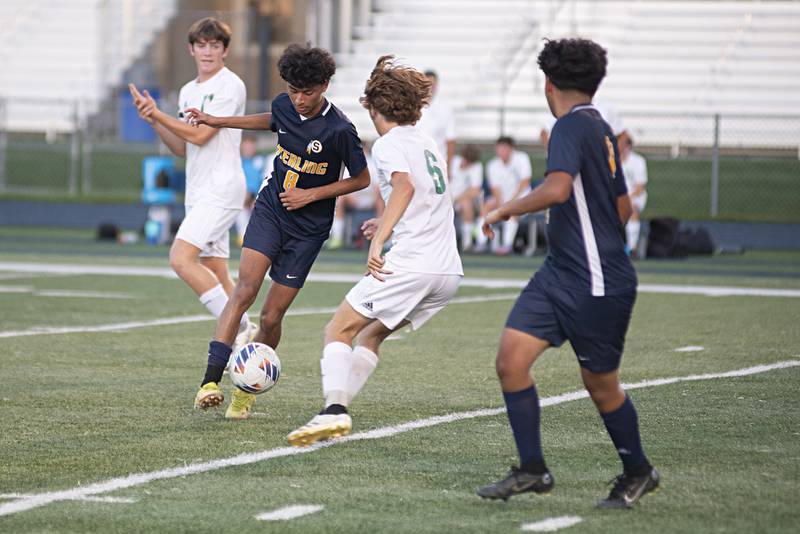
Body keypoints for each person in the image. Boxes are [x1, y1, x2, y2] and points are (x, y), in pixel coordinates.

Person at [477, 38, 659, 509]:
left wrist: (505, 211)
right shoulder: (600, 128)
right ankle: (533, 468)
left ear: (548, 83)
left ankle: (638, 470)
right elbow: (621, 205)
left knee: (601, 386)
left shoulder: (568, 127)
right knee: (511, 359)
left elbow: (557, 189)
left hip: (596, 279)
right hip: (562, 270)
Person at [184, 43, 371, 419]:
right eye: (293, 91)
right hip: (271, 210)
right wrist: (217, 121)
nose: (299, 100)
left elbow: (362, 178)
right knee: (244, 292)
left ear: (325, 86)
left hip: (309, 230)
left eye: (308, 92)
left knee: (271, 318)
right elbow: (271, 119)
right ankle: (208, 382)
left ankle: (245, 393)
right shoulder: (286, 105)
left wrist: (313, 194)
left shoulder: (340, 129)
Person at [286, 55, 463, 447]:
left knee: (338, 329)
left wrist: (380, 240)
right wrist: (387, 223)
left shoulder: (387, 145)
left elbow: (404, 187)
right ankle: (333, 412)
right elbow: (423, 194)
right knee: (368, 337)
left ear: (373, 105)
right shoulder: (427, 142)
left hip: (412, 264)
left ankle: (333, 411)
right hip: (446, 271)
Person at [128, 17, 254, 361]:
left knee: (180, 258)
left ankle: (237, 327)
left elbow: (202, 134)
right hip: (197, 192)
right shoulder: (187, 91)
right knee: (215, 271)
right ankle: (246, 347)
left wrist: (160, 113)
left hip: (222, 187)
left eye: (215, 45)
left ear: (225, 50)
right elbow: (183, 147)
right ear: (191, 48)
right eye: (202, 45)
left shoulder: (230, 85)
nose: (208, 51)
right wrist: (153, 118)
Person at [476, 136, 532, 255]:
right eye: (499, 149)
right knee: (486, 208)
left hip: (523, 199)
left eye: (504, 148)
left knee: (512, 211)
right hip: (502, 200)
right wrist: (502, 205)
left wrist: (510, 203)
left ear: (511, 149)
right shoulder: (492, 165)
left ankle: (507, 245)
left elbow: (524, 183)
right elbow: (495, 189)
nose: (501, 151)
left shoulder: (522, 158)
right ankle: (480, 243)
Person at [328, 142, 383, 249]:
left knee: (381, 199)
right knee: (340, 199)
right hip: (354, 199)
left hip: (371, 200)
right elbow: (344, 185)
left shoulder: (372, 164)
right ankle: (337, 237)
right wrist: (350, 196)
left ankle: (383, 236)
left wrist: (376, 199)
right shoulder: (349, 162)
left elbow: (377, 188)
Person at [235, 135, 274, 245]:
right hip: (240, 195)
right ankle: (242, 235)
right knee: (239, 203)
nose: (249, 148)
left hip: (257, 195)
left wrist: (255, 196)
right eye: (246, 146)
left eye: (251, 146)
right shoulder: (237, 162)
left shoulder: (261, 161)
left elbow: (263, 180)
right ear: (242, 146)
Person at [417, 70, 456, 168]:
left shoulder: (446, 107)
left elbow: (450, 139)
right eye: (427, 84)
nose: (430, 87)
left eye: (433, 84)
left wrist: (449, 166)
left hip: (438, 162)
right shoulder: (413, 105)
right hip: (416, 161)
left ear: (437, 85)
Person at [450, 144, 484, 251]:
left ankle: (467, 243)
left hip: (461, 200)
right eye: (465, 159)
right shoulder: (452, 161)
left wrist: (456, 199)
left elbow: (475, 190)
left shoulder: (477, 167)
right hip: (445, 199)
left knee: (466, 204)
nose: (466, 163)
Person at [619, 135, 648, 255]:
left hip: (634, 197)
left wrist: (626, 199)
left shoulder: (638, 161)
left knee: (632, 210)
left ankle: (631, 248)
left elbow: (640, 187)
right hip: (616, 197)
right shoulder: (610, 160)